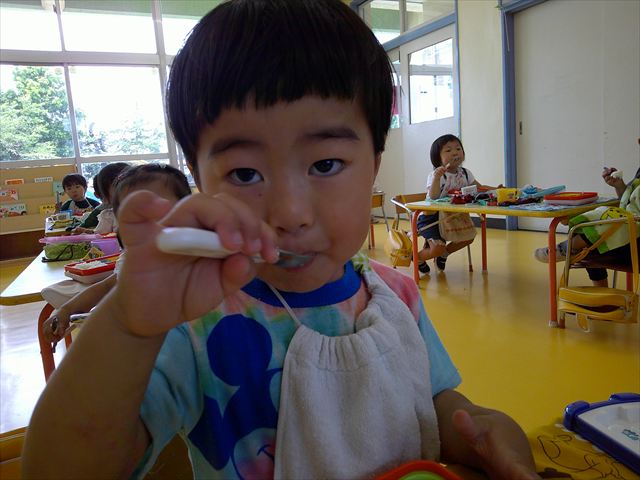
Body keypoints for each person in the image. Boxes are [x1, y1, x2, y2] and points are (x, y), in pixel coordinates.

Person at [23, 2, 539, 480]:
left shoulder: (395, 297)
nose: (290, 213)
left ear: (373, 167)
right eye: (245, 173)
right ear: (200, 182)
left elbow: (434, 405)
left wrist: (484, 432)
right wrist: (127, 326)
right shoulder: (192, 326)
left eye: (326, 164)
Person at [42, 163, 192, 345]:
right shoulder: (134, 257)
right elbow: (108, 285)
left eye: (157, 208)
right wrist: (66, 310)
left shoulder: (194, 255)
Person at [534, 166, 640, 287]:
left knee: (597, 232)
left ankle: (566, 249)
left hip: (635, 239)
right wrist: (619, 185)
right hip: (631, 228)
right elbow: (630, 203)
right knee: (593, 222)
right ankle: (601, 293)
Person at [417, 134, 502, 273]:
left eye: (458, 148)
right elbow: (433, 196)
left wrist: (496, 189)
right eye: (448, 150)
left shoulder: (465, 173)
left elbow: (479, 188)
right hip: (431, 218)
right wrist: (437, 178)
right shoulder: (436, 175)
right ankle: (418, 258)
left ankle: (444, 254)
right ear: (437, 157)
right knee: (437, 248)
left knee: (468, 237)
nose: (455, 153)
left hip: (454, 216)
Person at [71, 162, 130, 234]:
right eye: (121, 191)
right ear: (105, 198)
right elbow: (99, 235)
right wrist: (86, 231)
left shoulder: (143, 212)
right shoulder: (109, 216)